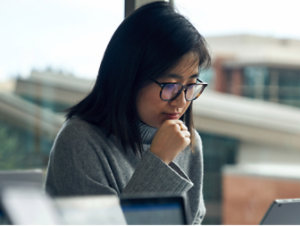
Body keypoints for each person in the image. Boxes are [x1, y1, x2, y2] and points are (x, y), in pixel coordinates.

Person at [44, 1, 211, 224]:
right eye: (169, 85)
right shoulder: (80, 141)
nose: (181, 101)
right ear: (130, 78)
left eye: (191, 86)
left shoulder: (189, 142)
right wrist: (159, 161)